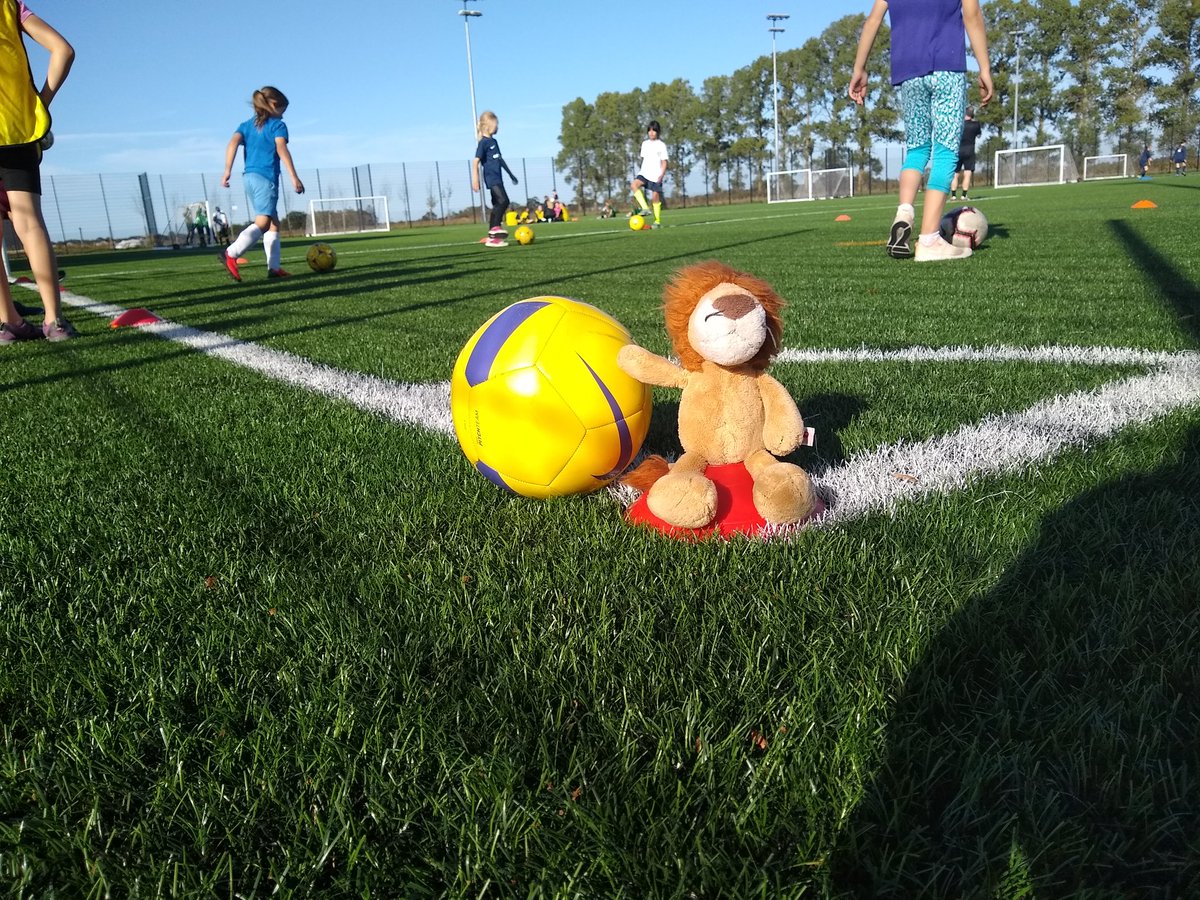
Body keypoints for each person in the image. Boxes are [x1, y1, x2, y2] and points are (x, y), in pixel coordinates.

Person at [850, 0, 993, 262]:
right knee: (946, 151)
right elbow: (972, 14)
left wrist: (859, 68)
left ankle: (905, 213)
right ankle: (929, 240)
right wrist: (984, 68)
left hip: (908, 70)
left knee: (917, 148)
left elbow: (872, 21)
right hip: (947, 65)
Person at [0, 0, 76, 344]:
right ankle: (54, 320)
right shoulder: (9, 6)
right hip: (15, 128)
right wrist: (40, 102)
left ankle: (8, 324)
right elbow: (63, 50)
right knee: (28, 221)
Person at [219, 86, 304, 281]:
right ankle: (231, 254)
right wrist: (294, 176)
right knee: (263, 222)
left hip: (249, 177)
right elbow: (281, 149)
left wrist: (227, 171)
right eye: (282, 111)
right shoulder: (277, 126)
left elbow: (232, 143)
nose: (283, 116)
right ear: (273, 105)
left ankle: (274, 268)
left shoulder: (246, 125)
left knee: (273, 223)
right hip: (265, 178)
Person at [470, 110, 518, 248]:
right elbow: (475, 162)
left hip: (498, 177)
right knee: (504, 201)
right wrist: (475, 179)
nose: (498, 127)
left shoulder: (494, 141)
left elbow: (500, 159)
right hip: (491, 178)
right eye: (496, 124)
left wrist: (510, 174)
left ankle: (491, 237)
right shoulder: (483, 143)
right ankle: (494, 229)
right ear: (488, 126)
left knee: (498, 204)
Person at [632, 119, 668, 226]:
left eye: (654, 131)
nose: (651, 133)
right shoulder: (645, 144)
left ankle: (657, 221)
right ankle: (645, 208)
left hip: (656, 175)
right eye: (650, 130)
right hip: (644, 173)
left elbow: (664, 162)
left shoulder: (661, 145)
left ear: (657, 132)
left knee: (655, 198)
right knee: (634, 185)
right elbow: (644, 158)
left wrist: (661, 175)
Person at [950, 106, 982, 200]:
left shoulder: (958, 125)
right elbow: (979, 135)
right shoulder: (976, 124)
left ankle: (953, 195)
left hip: (958, 150)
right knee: (967, 173)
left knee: (955, 173)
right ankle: (964, 195)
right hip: (969, 151)